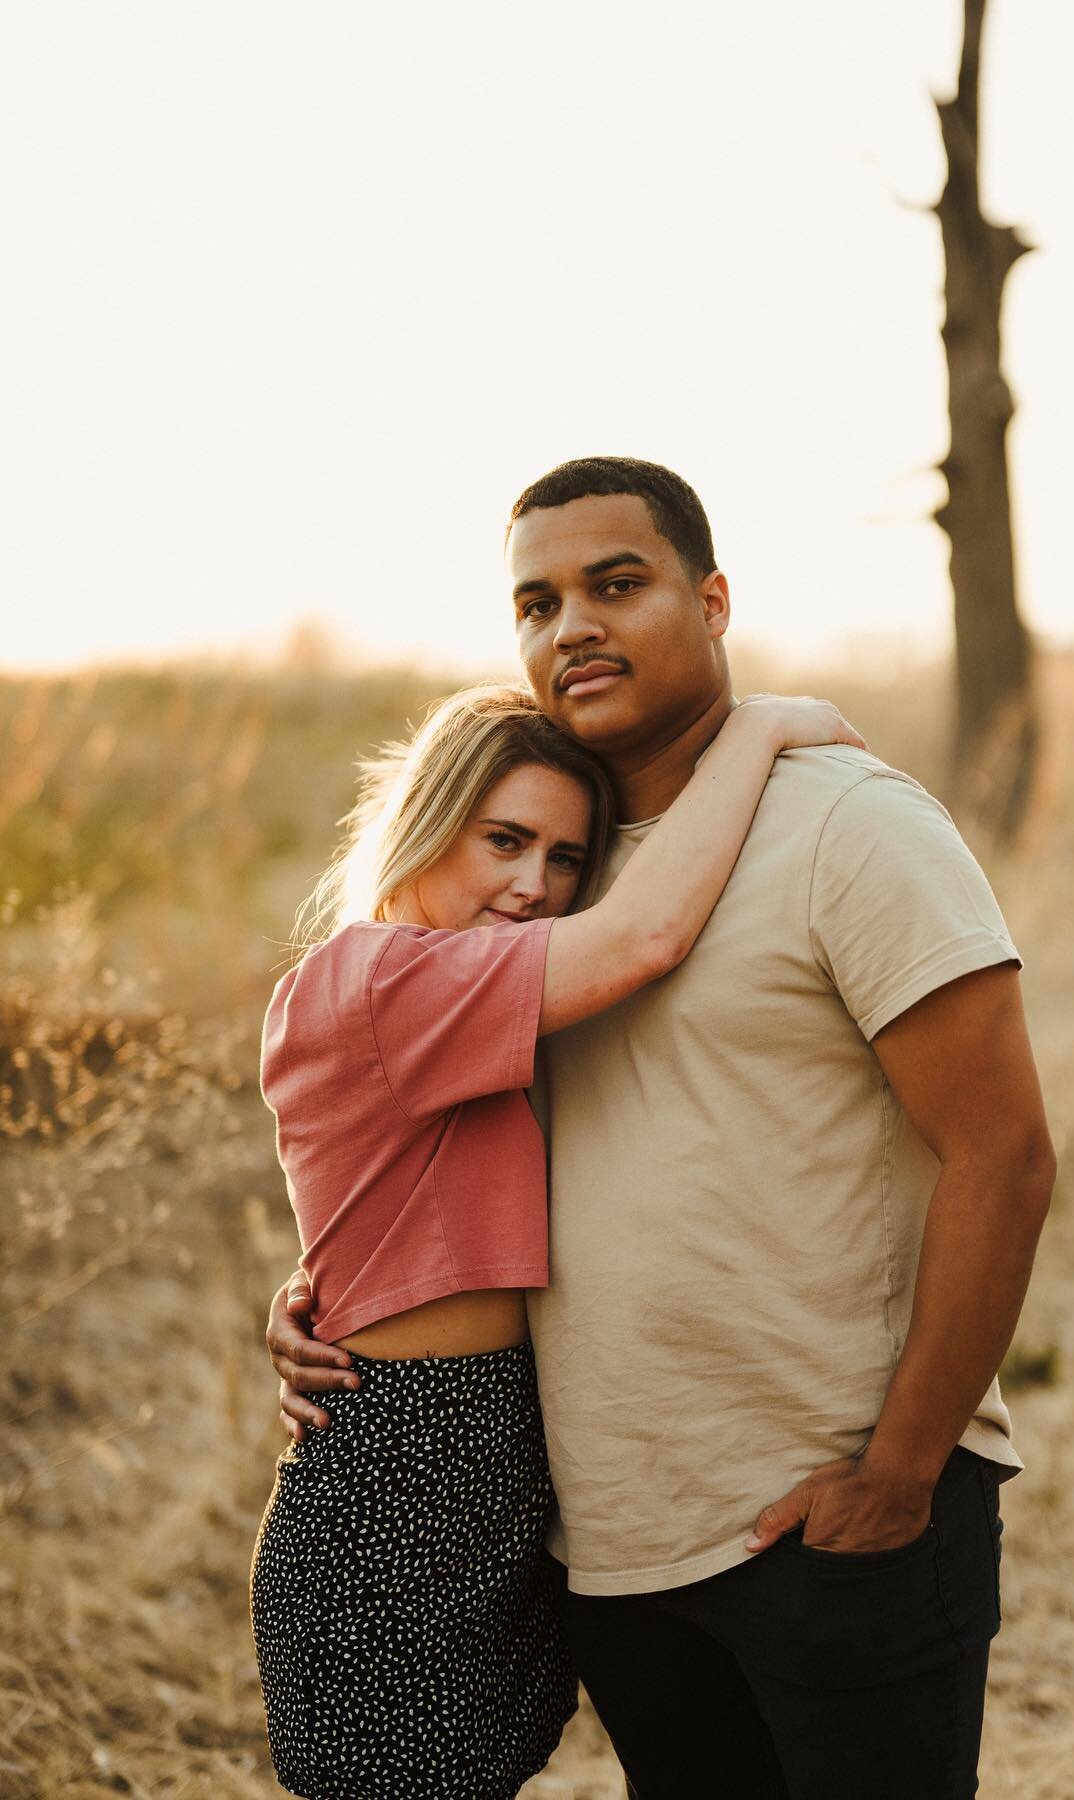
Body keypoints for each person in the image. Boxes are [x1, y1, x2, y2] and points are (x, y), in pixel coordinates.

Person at [267, 457, 1055, 1799]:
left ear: (712, 599)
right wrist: (320, 1289)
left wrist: (903, 1469)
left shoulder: (849, 825)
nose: (570, 625)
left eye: (616, 585)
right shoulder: (559, 884)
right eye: (535, 603)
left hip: (830, 1514)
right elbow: (439, 1148)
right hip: (606, 1538)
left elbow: (1007, 1154)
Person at [250, 680, 864, 1799]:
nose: (534, 887)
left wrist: (306, 1291)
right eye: (504, 841)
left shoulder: (479, 997)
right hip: (402, 1473)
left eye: (568, 860)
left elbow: (396, 1194)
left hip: (503, 1465)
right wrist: (762, 729)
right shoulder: (379, 971)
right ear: (427, 819)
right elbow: (650, 933)